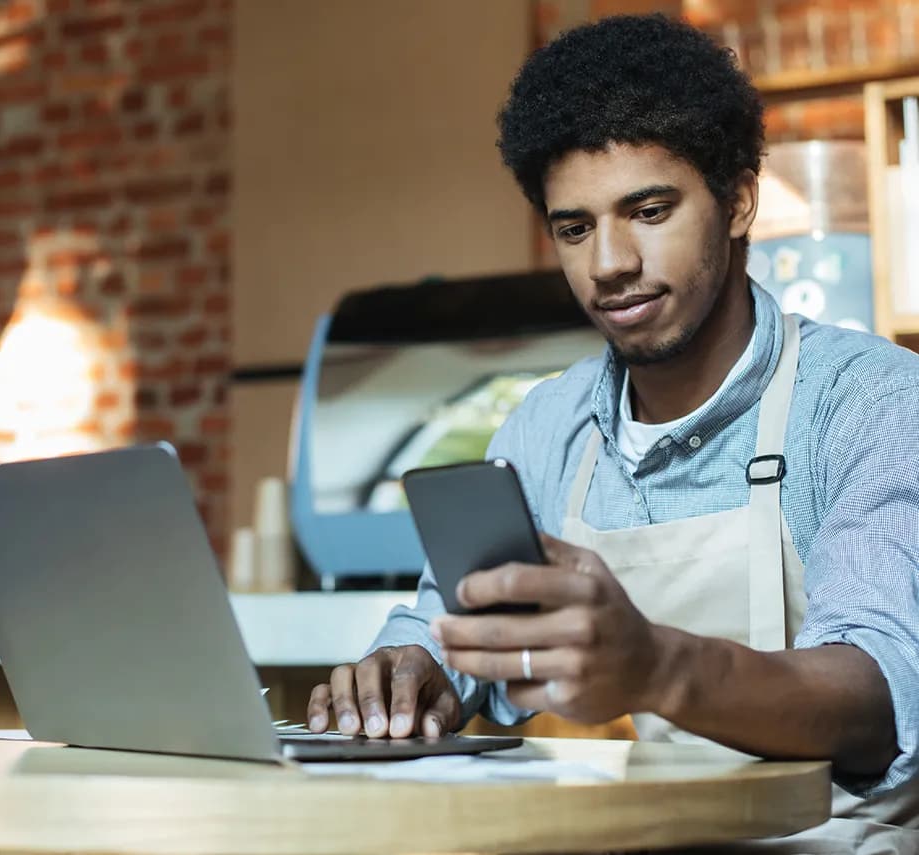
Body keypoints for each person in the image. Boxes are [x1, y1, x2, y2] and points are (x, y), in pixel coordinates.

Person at [306, 13, 919, 851]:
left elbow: (877, 695)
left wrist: (658, 665)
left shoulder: (870, 401)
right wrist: (410, 673)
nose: (609, 264)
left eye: (650, 209)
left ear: (738, 199)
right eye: (575, 227)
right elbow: (447, 629)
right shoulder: (543, 427)